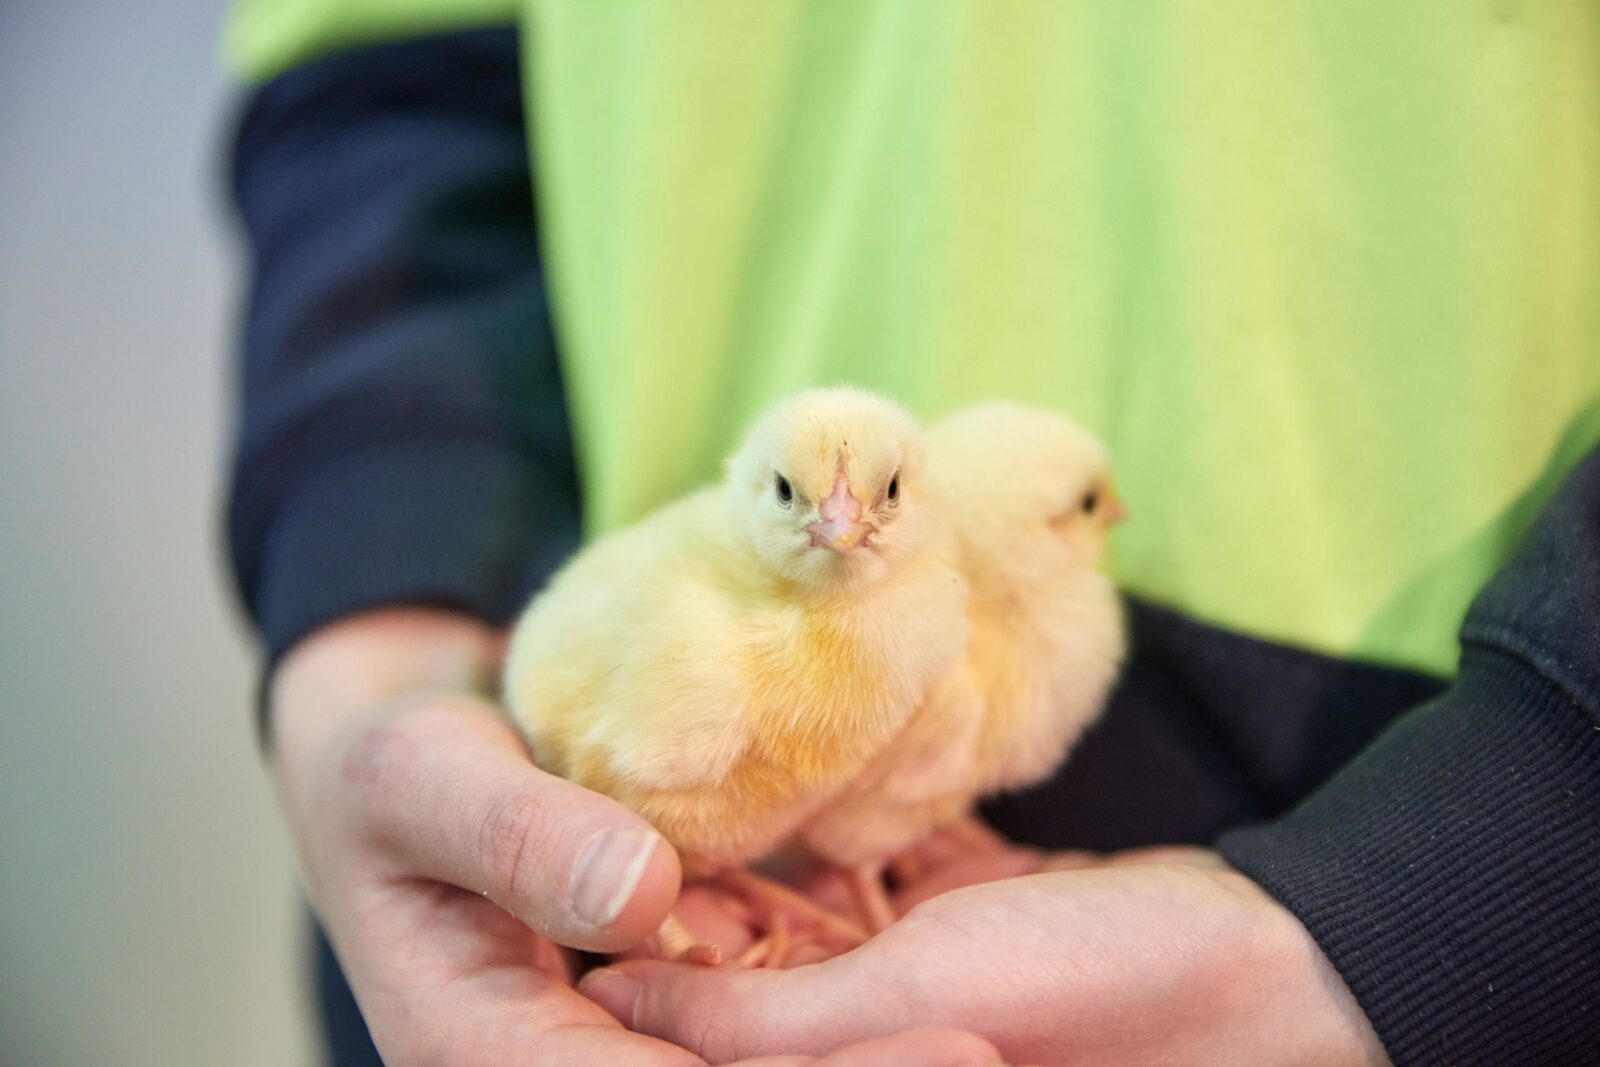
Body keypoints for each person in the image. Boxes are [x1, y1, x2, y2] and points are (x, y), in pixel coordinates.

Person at [224, 2, 1600, 1064]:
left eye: (882, 498)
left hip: (1424, 893)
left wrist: (1491, 855)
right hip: (537, 915)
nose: (845, 521)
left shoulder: (925, 629)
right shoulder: (748, 647)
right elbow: (394, 90)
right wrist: (387, 632)